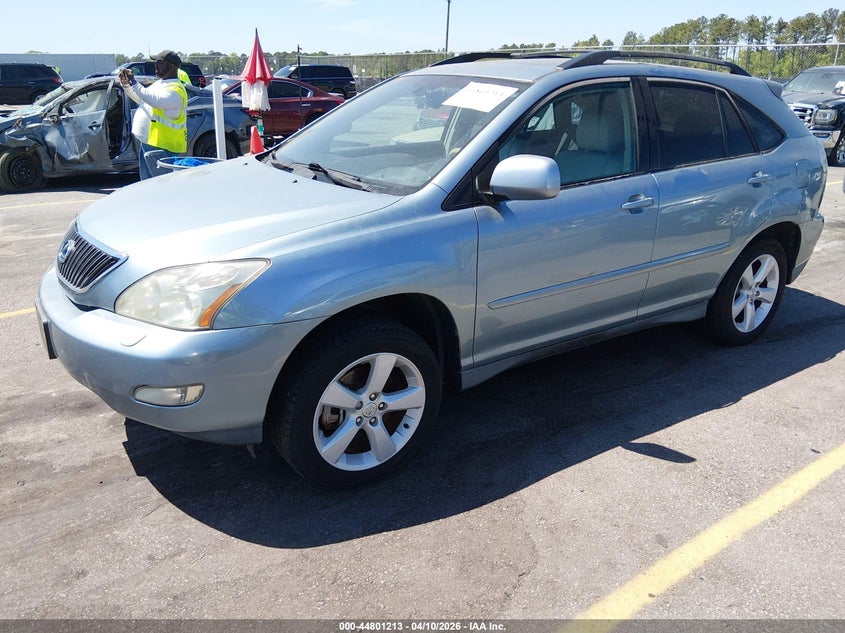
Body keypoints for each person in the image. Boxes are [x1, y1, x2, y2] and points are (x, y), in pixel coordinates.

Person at [118, 49, 188, 179]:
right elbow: (142, 99)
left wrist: (134, 82)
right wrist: (127, 85)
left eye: (160, 63)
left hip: (163, 147)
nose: (155, 65)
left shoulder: (176, 89)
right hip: (150, 142)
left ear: (171, 66)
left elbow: (156, 101)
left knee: (162, 185)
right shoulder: (161, 84)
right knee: (148, 184)